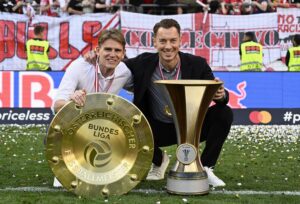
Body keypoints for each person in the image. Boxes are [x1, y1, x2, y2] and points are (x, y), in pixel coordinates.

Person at [123, 19, 233, 188]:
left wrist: (221, 94)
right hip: (156, 129)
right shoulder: (142, 63)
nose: (168, 46)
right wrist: (93, 57)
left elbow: (219, 94)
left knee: (224, 113)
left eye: (173, 41)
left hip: (191, 128)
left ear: (180, 40)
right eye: (162, 41)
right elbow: (113, 64)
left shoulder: (197, 64)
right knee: (126, 121)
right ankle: (159, 160)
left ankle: (205, 167)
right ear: (154, 42)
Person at [53, 28, 132, 114]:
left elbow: (143, 90)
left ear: (123, 53)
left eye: (117, 50)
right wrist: (72, 103)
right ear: (98, 50)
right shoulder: (79, 67)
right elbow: (57, 106)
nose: (112, 55)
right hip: (77, 121)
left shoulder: (125, 72)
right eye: (108, 49)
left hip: (104, 123)